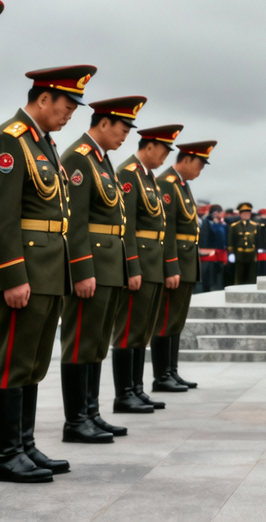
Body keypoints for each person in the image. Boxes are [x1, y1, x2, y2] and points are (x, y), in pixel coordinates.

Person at [0, 65, 95, 483]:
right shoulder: (10, 141)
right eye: (66, 107)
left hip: (49, 269)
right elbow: (1, 213)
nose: (69, 116)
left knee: (32, 364)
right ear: (43, 99)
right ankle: (5, 454)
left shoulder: (43, 144)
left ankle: (24, 445)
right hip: (25, 269)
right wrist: (12, 274)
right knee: (12, 362)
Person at [57, 96, 145, 442]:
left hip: (108, 267)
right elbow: (75, 221)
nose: (124, 138)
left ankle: (91, 412)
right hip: (91, 265)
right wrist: (80, 269)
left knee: (95, 343)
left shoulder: (102, 161)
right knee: (80, 342)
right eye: (121, 130)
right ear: (103, 123)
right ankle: (75, 420)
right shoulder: (79, 159)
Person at [112, 124, 182, 413]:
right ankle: (124, 393)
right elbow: (126, 224)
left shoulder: (147, 176)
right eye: (164, 150)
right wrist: (132, 266)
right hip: (139, 261)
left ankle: (137, 388)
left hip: (152, 263)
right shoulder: (129, 173)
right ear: (150, 146)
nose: (166, 157)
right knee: (128, 331)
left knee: (142, 330)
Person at [154, 138, 217, 393]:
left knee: (176, 321)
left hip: (186, 260)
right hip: (175, 262)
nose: (200, 171)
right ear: (187, 159)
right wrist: (171, 266)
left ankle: (172, 370)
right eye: (199, 165)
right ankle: (161, 375)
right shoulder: (167, 184)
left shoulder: (182, 185)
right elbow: (166, 229)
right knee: (166, 319)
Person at [227, 203, 260, 285]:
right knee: (239, 276)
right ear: (240, 214)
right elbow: (231, 240)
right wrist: (231, 253)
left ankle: (252, 290)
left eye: (248, 213)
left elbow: (258, 240)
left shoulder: (255, 226)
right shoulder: (234, 226)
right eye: (244, 213)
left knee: (252, 276)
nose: (246, 215)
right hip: (239, 253)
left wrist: (258, 252)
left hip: (252, 253)